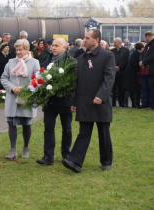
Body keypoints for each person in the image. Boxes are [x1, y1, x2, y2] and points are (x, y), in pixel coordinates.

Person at [62, 29, 116, 173]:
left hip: (100, 101)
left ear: (96, 40)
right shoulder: (82, 58)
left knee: (103, 132)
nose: (84, 40)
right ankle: (75, 162)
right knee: (84, 131)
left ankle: (106, 161)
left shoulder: (107, 56)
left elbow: (109, 78)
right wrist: (74, 101)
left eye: (87, 38)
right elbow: (78, 82)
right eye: (84, 38)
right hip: (85, 101)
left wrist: (101, 96)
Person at [36, 38, 76, 166]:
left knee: (67, 129)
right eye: (52, 45)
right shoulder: (48, 61)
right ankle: (48, 156)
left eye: (56, 45)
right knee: (48, 128)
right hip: (50, 101)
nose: (53, 48)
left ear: (65, 47)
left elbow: (74, 82)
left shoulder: (71, 62)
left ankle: (66, 155)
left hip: (65, 101)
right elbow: (41, 77)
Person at [0, 39, 40, 159]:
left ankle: (26, 148)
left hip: (26, 98)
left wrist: (24, 88)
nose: (18, 52)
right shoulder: (10, 62)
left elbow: (38, 79)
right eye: (16, 50)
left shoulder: (34, 62)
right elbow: (4, 78)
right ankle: (13, 150)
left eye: (20, 50)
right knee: (11, 123)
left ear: (27, 49)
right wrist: (13, 88)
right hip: (12, 98)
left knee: (26, 124)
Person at [122, 42, 144, 108]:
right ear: (141, 48)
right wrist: (139, 69)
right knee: (132, 89)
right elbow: (134, 63)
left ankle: (126, 103)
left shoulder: (134, 53)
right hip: (132, 74)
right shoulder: (137, 53)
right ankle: (132, 104)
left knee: (128, 89)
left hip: (129, 73)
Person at [111, 37, 129, 107]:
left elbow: (126, 60)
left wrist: (119, 67)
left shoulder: (126, 50)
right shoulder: (112, 51)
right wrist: (114, 66)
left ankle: (122, 103)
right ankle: (113, 103)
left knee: (121, 89)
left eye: (115, 42)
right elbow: (111, 60)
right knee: (113, 89)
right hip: (113, 73)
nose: (114, 44)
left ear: (119, 42)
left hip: (122, 73)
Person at [139, 31, 154, 109]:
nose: (146, 39)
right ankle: (145, 103)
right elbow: (142, 54)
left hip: (151, 70)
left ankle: (152, 103)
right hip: (144, 71)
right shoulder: (147, 45)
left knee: (151, 88)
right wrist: (141, 62)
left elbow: (152, 56)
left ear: (151, 36)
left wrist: (143, 62)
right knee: (144, 87)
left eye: (147, 37)